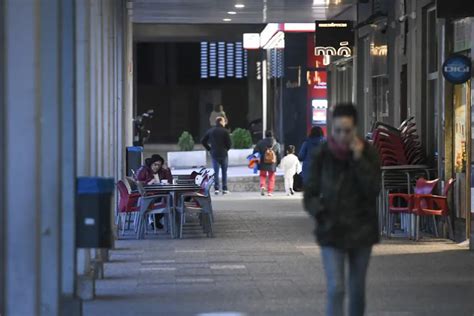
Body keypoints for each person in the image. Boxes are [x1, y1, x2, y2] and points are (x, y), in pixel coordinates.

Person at [303, 103, 381, 316]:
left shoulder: (368, 154)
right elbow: (309, 193)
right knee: (336, 288)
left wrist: (358, 160)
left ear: (355, 129)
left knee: (357, 291)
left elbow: (373, 189)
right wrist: (320, 212)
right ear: (332, 128)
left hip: (361, 231)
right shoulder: (323, 154)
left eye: (347, 131)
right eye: (337, 130)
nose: (341, 136)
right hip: (332, 230)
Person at [136, 154, 173, 229]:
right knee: (168, 199)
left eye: (159, 165)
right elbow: (138, 182)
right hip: (148, 195)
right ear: (151, 163)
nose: (157, 167)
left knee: (170, 199)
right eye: (155, 164)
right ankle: (154, 219)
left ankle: (155, 219)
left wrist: (167, 170)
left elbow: (169, 181)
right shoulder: (144, 170)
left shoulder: (162, 171)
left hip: (159, 193)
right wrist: (148, 182)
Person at [201, 117, 232, 194]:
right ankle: (224, 189)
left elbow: (203, 141)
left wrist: (209, 149)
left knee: (216, 172)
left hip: (214, 153)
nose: (225, 123)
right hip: (224, 154)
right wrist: (226, 149)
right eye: (224, 121)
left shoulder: (211, 131)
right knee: (224, 172)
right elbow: (229, 144)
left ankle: (216, 189)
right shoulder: (225, 131)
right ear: (221, 122)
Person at [254, 130, 281, 197]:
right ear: (273, 135)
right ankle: (270, 192)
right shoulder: (276, 144)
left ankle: (263, 186)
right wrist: (278, 163)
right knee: (271, 177)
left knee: (262, 175)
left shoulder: (260, 142)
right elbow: (279, 154)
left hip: (263, 162)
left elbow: (255, 152)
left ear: (265, 135)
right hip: (272, 163)